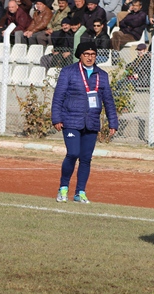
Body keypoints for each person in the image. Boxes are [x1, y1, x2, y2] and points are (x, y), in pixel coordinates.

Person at [51, 41, 118, 203]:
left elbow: (108, 100)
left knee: (86, 158)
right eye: (86, 54)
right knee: (73, 153)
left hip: (92, 121)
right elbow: (58, 96)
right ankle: (63, 188)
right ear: (80, 56)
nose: (90, 57)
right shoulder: (68, 72)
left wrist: (113, 122)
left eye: (93, 54)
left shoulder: (102, 75)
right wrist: (56, 118)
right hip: (71, 120)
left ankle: (80, 192)